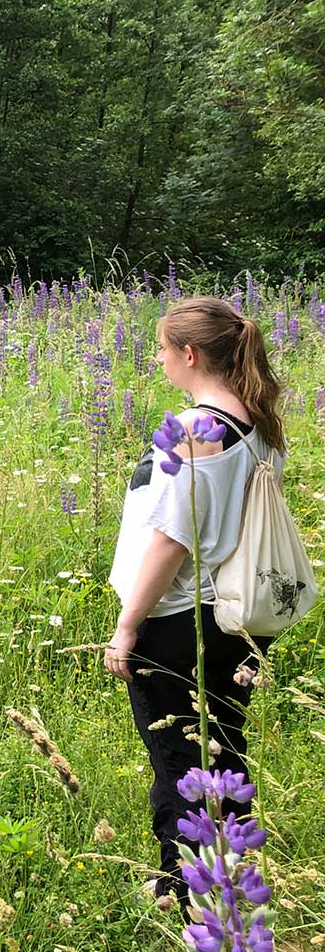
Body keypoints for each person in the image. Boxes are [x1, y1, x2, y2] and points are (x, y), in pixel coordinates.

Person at [105, 296, 286, 907]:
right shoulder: (257, 420)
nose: (157, 360)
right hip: (238, 616)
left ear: (189, 354)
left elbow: (171, 540)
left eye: (162, 349)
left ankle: (188, 895)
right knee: (223, 748)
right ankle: (232, 877)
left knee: (179, 756)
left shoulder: (193, 429)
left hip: (181, 617)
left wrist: (128, 624)